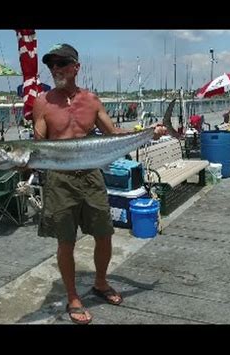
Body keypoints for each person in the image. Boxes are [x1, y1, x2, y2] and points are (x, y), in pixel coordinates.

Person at [32, 43, 167, 325]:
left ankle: (101, 282)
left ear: (75, 67)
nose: (55, 69)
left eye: (61, 63)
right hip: (60, 179)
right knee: (65, 241)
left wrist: (148, 133)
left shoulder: (91, 100)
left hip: (92, 175)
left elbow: (113, 133)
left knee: (104, 233)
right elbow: (37, 144)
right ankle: (72, 296)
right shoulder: (42, 102)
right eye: (51, 64)